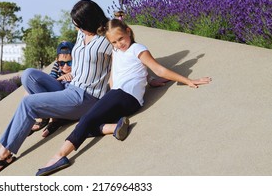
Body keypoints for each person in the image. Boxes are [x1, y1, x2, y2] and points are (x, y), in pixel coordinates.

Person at [35, 19, 212, 176]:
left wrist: (187, 80)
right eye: (114, 41)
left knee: (86, 120)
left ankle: (59, 156)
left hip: (123, 95)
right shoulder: (116, 52)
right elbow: (126, 73)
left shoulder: (137, 48)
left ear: (128, 31)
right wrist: (150, 80)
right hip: (123, 98)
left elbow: (158, 68)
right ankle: (114, 127)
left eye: (121, 38)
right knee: (87, 126)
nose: (119, 44)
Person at [0, 0, 113, 176]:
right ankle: (54, 116)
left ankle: (4, 154)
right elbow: (83, 62)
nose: (77, 27)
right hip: (70, 88)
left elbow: (126, 55)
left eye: (79, 23)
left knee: (28, 103)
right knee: (29, 75)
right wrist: (71, 73)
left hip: (86, 97)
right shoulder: (82, 34)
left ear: (89, 20)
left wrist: (149, 78)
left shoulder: (106, 39)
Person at [29, 41, 74, 138]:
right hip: (57, 95)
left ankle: (55, 120)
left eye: (69, 62)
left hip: (68, 103)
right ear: (56, 60)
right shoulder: (57, 66)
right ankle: (41, 117)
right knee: (30, 87)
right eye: (61, 63)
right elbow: (50, 80)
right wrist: (61, 78)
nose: (65, 66)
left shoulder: (78, 68)